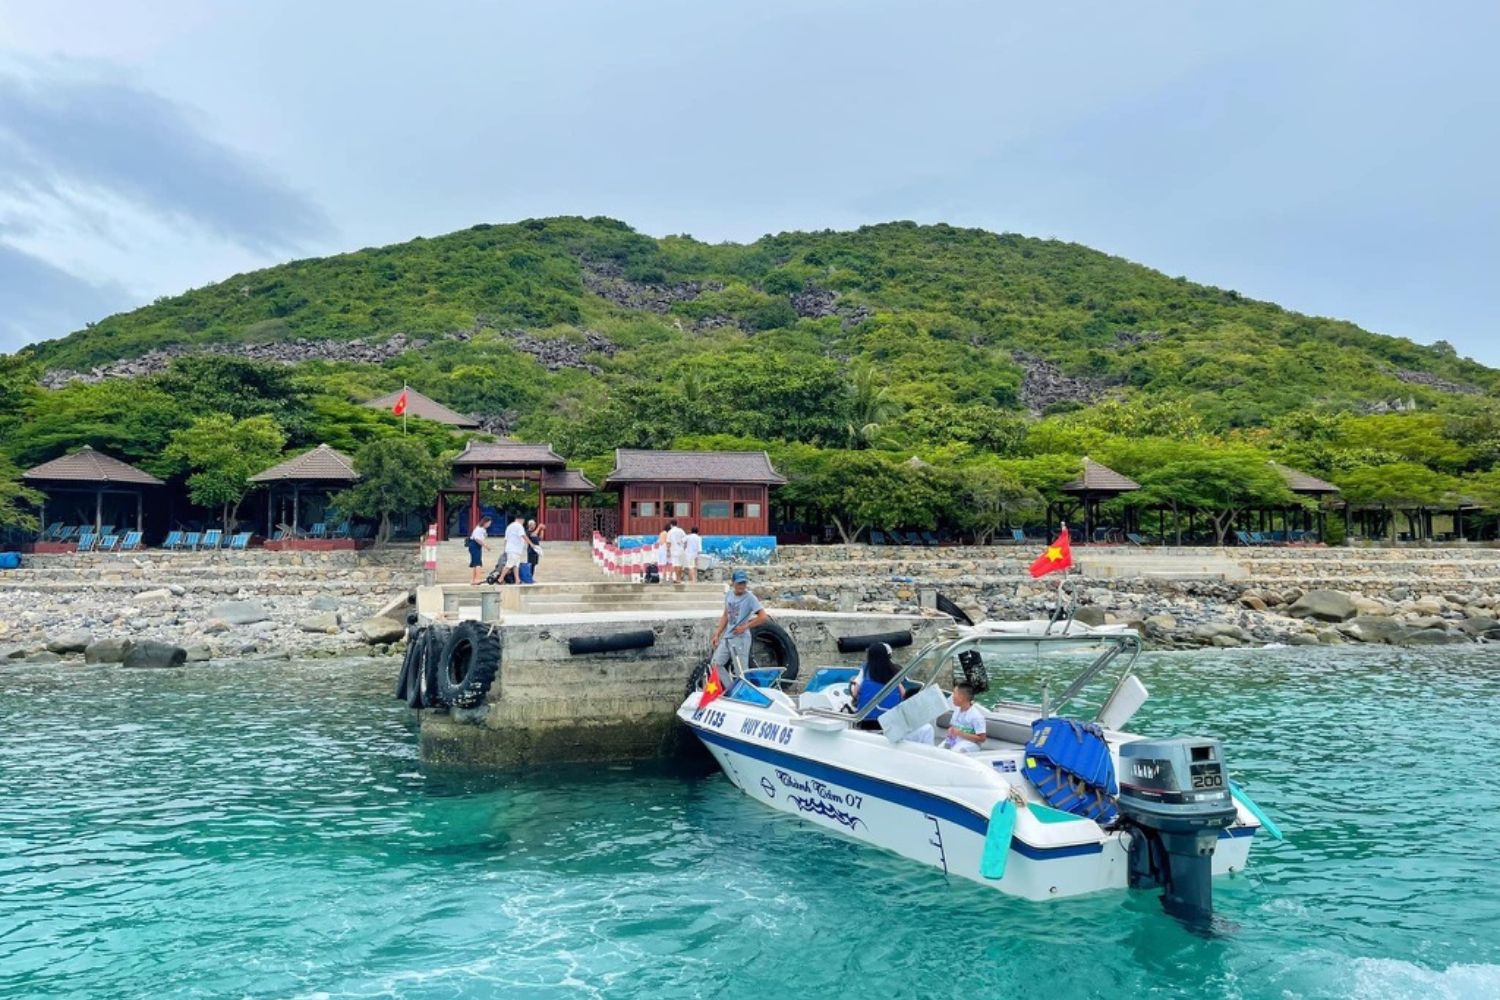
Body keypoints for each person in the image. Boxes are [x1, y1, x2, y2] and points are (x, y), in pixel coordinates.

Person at [708, 569, 768, 686]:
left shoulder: (750, 598)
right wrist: (717, 633)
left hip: (741, 639)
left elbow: (763, 616)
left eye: (744, 583)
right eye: (739, 583)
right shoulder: (729, 594)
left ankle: (745, 692)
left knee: (741, 671)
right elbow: (726, 614)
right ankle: (731, 688)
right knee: (716, 663)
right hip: (728, 636)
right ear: (733, 583)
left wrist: (746, 626)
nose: (742, 586)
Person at [848, 641, 902, 730]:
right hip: (891, 720)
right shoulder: (894, 670)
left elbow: (854, 693)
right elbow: (902, 693)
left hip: (868, 721)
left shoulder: (865, 669)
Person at [943, 682, 987, 753]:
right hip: (956, 739)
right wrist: (951, 730)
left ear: (962, 697)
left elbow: (982, 739)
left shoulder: (976, 716)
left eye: (954, 693)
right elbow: (953, 726)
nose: (952, 696)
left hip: (970, 743)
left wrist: (961, 734)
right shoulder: (957, 710)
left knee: (955, 752)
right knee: (940, 750)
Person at [501, 513, 527, 585]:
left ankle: (517, 580)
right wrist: (530, 543)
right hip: (514, 549)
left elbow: (506, 539)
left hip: (512, 549)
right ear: (521, 520)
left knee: (516, 565)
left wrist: (505, 548)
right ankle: (500, 578)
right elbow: (523, 535)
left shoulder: (509, 526)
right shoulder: (519, 526)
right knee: (510, 564)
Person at [466, 516, 492, 585]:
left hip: (477, 546)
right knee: (477, 563)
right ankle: (477, 579)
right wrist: (485, 546)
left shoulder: (482, 529)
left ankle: (474, 580)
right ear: (485, 522)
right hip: (474, 545)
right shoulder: (479, 529)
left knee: (476, 563)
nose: (489, 525)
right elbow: (477, 539)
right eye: (489, 523)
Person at [666, 519, 687, 584]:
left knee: (675, 565)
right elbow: (685, 539)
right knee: (680, 565)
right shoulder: (681, 530)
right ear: (677, 524)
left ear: (671, 525)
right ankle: (679, 579)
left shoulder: (670, 532)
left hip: (674, 550)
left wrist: (668, 551)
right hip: (681, 550)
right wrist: (683, 545)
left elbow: (668, 543)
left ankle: (677, 579)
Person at [525, 518, 544, 583]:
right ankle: (529, 578)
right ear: (530, 525)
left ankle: (531, 578)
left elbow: (540, 538)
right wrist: (539, 527)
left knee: (534, 565)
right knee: (531, 565)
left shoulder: (535, 531)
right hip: (531, 550)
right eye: (533, 524)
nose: (534, 525)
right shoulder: (528, 532)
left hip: (536, 550)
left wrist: (542, 530)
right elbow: (534, 534)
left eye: (535, 524)